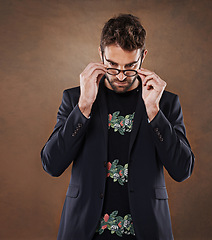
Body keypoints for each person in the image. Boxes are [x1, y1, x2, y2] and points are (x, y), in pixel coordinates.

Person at [41, 14, 195, 240]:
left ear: (143, 56)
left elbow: (182, 170)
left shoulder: (166, 102)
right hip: (84, 230)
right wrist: (83, 107)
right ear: (100, 54)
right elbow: (51, 164)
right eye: (112, 65)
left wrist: (154, 111)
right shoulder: (75, 98)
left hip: (147, 230)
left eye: (130, 66)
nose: (121, 75)